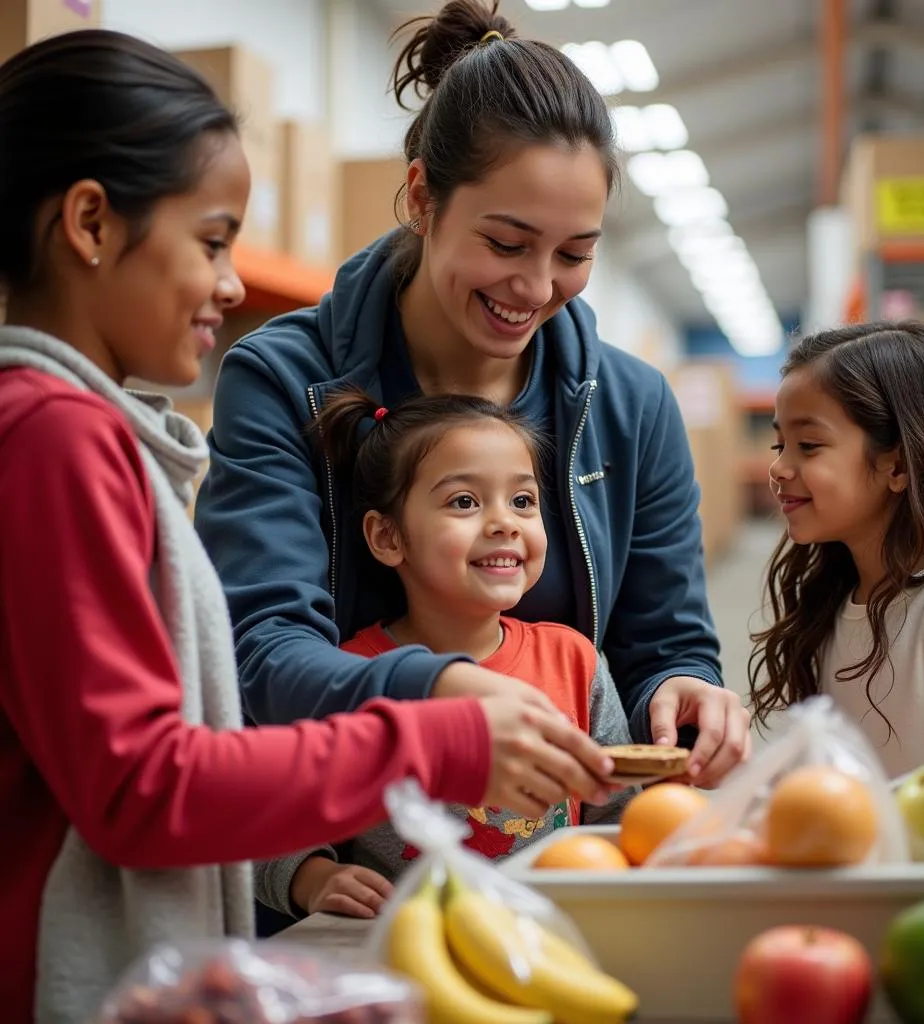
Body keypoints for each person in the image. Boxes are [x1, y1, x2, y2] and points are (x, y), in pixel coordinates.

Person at [0, 30, 615, 1023]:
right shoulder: (54, 439)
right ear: (89, 224)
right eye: (210, 240)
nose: (232, 283)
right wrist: (435, 740)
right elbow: (145, 782)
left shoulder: (83, 435)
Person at [194, 0, 751, 788]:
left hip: (564, 857)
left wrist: (681, 692)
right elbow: (262, 653)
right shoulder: (286, 381)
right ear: (421, 199)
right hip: (352, 858)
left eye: (574, 253)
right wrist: (441, 695)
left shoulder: (632, 407)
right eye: (506, 243)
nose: (535, 286)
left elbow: (664, 644)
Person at [257, 388, 635, 920]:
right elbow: (265, 819)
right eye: (464, 501)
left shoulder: (574, 659)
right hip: (399, 946)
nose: (505, 522)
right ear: (388, 537)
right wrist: (311, 876)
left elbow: (619, 813)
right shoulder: (346, 677)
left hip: (556, 933)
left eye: (523, 501)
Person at [750, 321, 924, 777]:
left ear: (897, 463)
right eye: (780, 444)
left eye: (808, 446)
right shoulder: (836, 600)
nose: (778, 467)